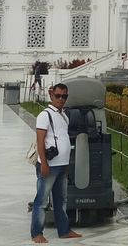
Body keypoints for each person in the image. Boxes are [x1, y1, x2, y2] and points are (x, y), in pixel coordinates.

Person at [31, 83, 81, 243]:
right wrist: (44, 163)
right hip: (49, 166)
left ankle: (64, 230)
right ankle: (37, 233)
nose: (61, 99)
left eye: (64, 96)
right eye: (58, 95)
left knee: (61, 200)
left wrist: (66, 164)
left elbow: (63, 138)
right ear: (51, 95)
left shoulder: (63, 115)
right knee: (41, 200)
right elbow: (40, 141)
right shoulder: (45, 115)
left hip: (61, 165)